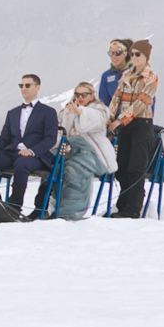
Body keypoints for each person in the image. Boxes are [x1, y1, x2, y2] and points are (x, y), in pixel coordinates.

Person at [0, 74, 59, 217]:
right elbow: (4, 137)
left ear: (37, 87)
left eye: (27, 85)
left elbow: (50, 139)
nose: (23, 88)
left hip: (35, 156)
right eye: (21, 85)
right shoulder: (12, 113)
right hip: (11, 153)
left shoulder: (48, 112)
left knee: (22, 164)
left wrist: (31, 151)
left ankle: (14, 207)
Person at [109, 39, 161, 218]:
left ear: (146, 56)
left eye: (137, 54)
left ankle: (133, 210)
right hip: (125, 126)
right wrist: (109, 118)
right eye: (132, 54)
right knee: (122, 166)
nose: (134, 57)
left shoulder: (151, 77)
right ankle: (122, 206)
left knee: (136, 168)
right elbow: (116, 98)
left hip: (141, 124)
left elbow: (142, 102)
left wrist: (120, 120)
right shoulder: (126, 75)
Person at [54, 80, 113, 221]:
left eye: (84, 94)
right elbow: (61, 131)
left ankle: (69, 211)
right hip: (70, 149)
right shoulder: (68, 109)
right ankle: (48, 206)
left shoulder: (100, 110)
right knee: (50, 162)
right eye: (77, 94)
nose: (80, 97)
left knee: (73, 169)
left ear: (92, 96)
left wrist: (80, 112)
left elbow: (95, 120)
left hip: (93, 152)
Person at [97, 37, 130, 106]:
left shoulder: (134, 72)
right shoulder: (106, 76)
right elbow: (103, 102)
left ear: (125, 53)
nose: (113, 56)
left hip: (135, 115)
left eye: (117, 53)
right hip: (114, 116)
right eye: (110, 53)